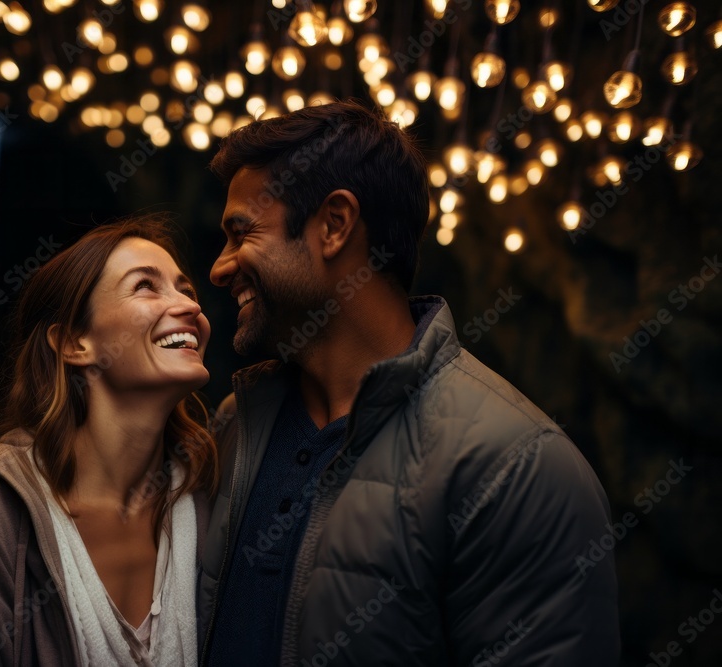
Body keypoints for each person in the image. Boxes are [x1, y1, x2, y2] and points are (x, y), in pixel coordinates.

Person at [197, 101, 620, 666]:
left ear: (334, 225)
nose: (220, 268)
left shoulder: (515, 468)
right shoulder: (234, 427)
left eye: (240, 233)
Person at [0, 216, 216, 666]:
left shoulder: (210, 499)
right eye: (146, 286)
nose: (190, 307)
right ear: (74, 343)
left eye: (187, 291)